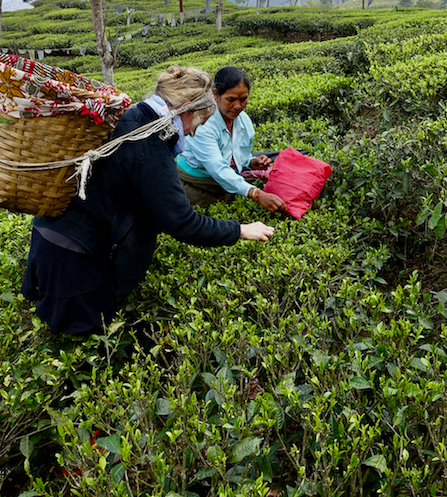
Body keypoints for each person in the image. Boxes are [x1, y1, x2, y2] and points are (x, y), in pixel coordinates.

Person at [21, 65, 275, 335]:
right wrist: (240, 230)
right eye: (198, 120)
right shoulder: (149, 144)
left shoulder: (136, 118)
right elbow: (183, 223)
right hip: (73, 258)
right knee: (87, 346)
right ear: (185, 109)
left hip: (52, 238)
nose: (192, 131)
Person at [177, 66, 286, 212]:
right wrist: (257, 194)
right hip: (197, 183)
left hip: (229, 178)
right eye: (231, 100)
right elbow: (217, 168)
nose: (238, 106)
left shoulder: (243, 121)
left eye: (243, 99)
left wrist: (251, 162)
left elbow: (240, 154)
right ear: (216, 95)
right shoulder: (203, 124)